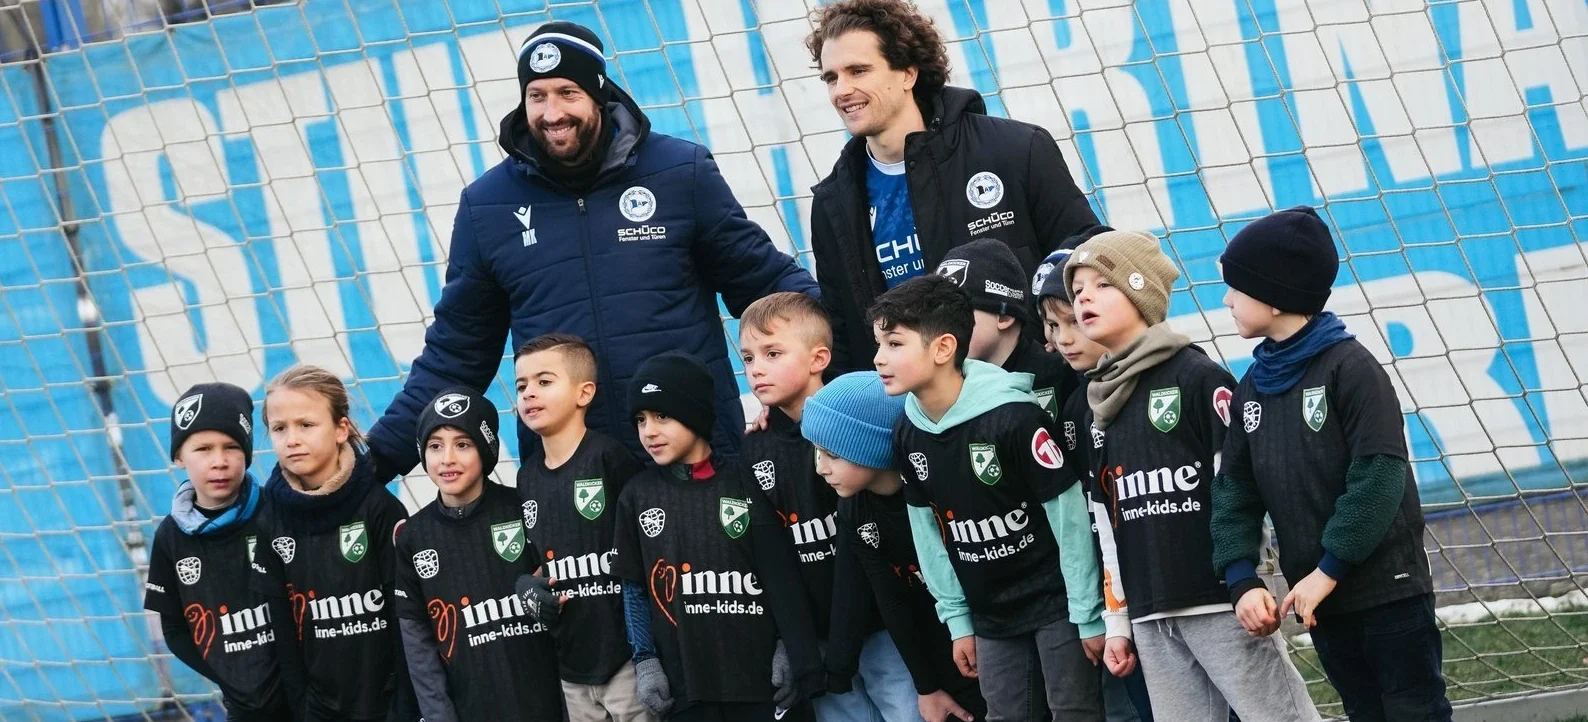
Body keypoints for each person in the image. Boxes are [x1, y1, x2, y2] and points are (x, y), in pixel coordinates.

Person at [366, 21, 818, 477]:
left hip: (697, 458)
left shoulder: (681, 172)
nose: (551, 113)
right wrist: (376, 462)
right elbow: (456, 353)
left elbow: (767, 285)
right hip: (567, 477)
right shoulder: (486, 207)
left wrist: (840, 366)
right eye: (537, 96)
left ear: (598, 94)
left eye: (568, 93)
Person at [1063, 231, 1319, 722]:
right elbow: (1106, 523)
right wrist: (1117, 619)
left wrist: (1247, 580)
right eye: (1077, 291)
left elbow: (1239, 490)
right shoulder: (1099, 403)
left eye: (1102, 284)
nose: (1084, 299)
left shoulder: (1199, 378)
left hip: (1220, 602)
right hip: (1151, 616)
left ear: (1141, 292)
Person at [1209, 207, 1450, 720]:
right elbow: (1234, 491)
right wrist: (1242, 578)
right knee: (1363, 711)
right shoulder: (1252, 387)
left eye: (1236, 287)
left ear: (1275, 295)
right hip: (1320, 602)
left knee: (1414, 710)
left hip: (1388, 592)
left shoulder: (1351, 369)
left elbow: (1379, 476)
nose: (1226, 300)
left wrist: (1328, 569)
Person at [805, 0, 1099, 373]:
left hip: (1034, 390)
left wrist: (1050, 346)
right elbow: (843, 337)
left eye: (858, 71)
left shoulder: (1014, 150)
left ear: (907, 73)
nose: (842, 90)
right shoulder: (834, 203)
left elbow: (1086, 256)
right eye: (831, 78)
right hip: (916, 403)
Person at [874, 275, 1106, 721]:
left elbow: (1070, 516)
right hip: (990, 618)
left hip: (1058, 604)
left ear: (943, 348)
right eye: (879, 344)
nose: (879, 358)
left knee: (1074, 712)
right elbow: (928, 534)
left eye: (894, 344)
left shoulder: (1014, 417)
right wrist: (958, 621)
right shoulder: (908, 431)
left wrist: (1087, 611)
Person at [612, 351, 824, 721]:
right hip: (686, 691)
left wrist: (787, 645)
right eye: (640, 420)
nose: (649, 431)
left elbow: (783, 574)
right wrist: (645, 661)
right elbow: (634, 589)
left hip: (761, 685)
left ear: (694, 412)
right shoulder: (636, 496)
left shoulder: (747, 479)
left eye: (662, 415)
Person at [736, 293, 918, 721]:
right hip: (818, 641)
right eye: (747, 358)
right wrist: (800, 647)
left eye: (772, 353)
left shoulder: (861, 421)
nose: (756, 368)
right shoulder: (755, 447)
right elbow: (773, 559)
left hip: (886, 627)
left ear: (818, 358)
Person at [804, 371, 986, 722]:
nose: (820, 468)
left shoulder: (934, 486)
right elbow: (892, 599)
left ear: (872, 447)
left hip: (985, 634)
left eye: (832, 454)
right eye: (817, 452)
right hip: (937, 650)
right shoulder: (853, 508)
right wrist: (926, 687)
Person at [249, 365, 417, 722]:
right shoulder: (268, 520)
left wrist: (403, 706)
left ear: (341, 429)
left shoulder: (380, 509)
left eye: (306, 425)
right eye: (279, 428)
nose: (292, 439)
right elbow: (282, 631)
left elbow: (405, 617)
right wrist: (303, 706)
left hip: (388, 707)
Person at [393, 387, 564, 721]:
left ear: (485, 449)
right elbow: (418, 646)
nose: (447, 459)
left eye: (462, 444)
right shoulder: (413, 536)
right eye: (435, 446)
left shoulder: (523, 506)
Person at [1034, 248, 1154, 722]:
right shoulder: (1075, 407)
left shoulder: (1182, 377)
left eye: (1075, 322)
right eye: (1053, 326)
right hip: (1121, 596)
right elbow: (1094, 513)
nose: (1063, 339)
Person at [512, 334, 654, 721]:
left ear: (584, 392)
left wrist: (648, 651)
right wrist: (528, 585)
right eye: (521, 386)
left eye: (544, 381)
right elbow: (534, 563)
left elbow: (646, 550)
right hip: (571, 666)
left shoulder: (610, 458)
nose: (529, 393)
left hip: (626, 660)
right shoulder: (526, 478)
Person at [144, 382, 291, 721]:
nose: (219, 462)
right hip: (245, 707)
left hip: (308, 696)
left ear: (248, 453)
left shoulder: (277, 512)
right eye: (203, 449)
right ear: (179, 456)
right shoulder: (170, 537)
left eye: (232, 447)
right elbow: (175, 630)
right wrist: (230, 675)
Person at [936, 238, 1074, 419]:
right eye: (936, 317)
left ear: (1005, 316)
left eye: (958, 313)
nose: (942, 328)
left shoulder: (1062, 375)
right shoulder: (943, 387)